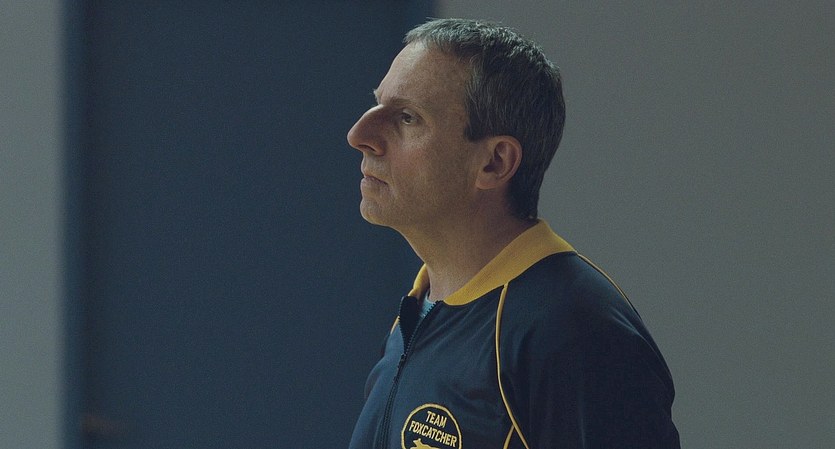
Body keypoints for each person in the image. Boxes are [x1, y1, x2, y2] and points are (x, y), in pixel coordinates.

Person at [346, 18, 680, 449]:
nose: (359, 136)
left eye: (408, 118)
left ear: (495, 163)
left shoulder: (574, 333)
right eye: (376, 105)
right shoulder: (417, 315)